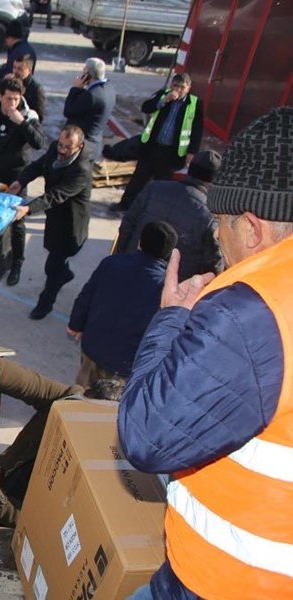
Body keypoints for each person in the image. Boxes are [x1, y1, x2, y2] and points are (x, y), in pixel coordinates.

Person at [118, 107, 293, 599]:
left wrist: (172, 317)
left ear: (253, 228)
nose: (219, 241)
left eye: (221, 227)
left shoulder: (253, 313)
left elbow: (146, 433)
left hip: (229, 584)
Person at [0, 339, 124, 527]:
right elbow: (28, 383)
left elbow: (40, 526)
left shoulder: (97, 478)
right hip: (3, 481)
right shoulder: (73, 400)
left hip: (18, 526)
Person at [68, 220, 177, 388]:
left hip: (94, 347)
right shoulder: (165, 289)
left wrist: (75, 324)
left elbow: (87, 296)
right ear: (169, 255)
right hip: (125, 363)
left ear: (140, 242)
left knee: (81, 392)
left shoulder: (112, 263)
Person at [8, 124, 92, 320]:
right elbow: (39, 166)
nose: (61, 150)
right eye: (60, 145)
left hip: (71, 224)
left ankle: (45, 304)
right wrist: (21, 181)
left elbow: (55, 196)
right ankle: (65, 274)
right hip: (55, 218)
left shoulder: (81, 170)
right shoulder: (56, 149)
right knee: (55, 261)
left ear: (78, 147)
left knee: (52, 267)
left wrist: (28, 208)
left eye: (67, 148)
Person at [115, 150, 223, 280]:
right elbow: (212, 262)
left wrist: (121, 257)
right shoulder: (210, 214)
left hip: (132, 269)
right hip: (173, 286)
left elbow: (127, 225)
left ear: (190, 169)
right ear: (213, 181)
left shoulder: (154, 188)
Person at [0, 76, 45, 287]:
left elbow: (38, 142)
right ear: (0, 96)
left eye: (16, 99)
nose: (12, 104)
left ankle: (16, 263)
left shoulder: (28, 115)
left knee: (17, 221)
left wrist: (21, 122)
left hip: (16, 178)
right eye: (9, 99)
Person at [112, 73, 204, 213]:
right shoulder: (163, 94)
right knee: (138, 178)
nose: (178, 90)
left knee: (162, 184)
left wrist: (191, 152)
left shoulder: (195, 104)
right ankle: (126, 205)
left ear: (189, 88)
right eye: (175, 86)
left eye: (182, 87)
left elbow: (197, 129)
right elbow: (146, 107)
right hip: (152, 147)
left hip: (171, 152)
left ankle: (153, 211)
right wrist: (163, 101)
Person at [62, 57, 116, 161]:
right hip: (95, 144)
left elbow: (68, 110)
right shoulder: (109, 89)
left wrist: (75, 89)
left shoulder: (91, 96)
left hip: (83, 147)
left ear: (88, 74)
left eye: (84, 71)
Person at [6, 53, 45, 123]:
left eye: (19, 69)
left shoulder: (36, 89)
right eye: (14, 67)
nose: (15, 71)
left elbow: (39, 117)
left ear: (29, 71)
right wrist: (3, 82)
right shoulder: (9, 82)